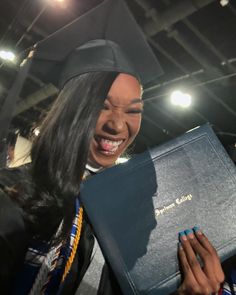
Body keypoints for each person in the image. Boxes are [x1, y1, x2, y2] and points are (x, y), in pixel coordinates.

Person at [0, 0, 229, 294]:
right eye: (102, 106)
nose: (119, 126)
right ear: (71, 108)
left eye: (133, 111)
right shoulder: (12, 198)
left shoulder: (132, 208)